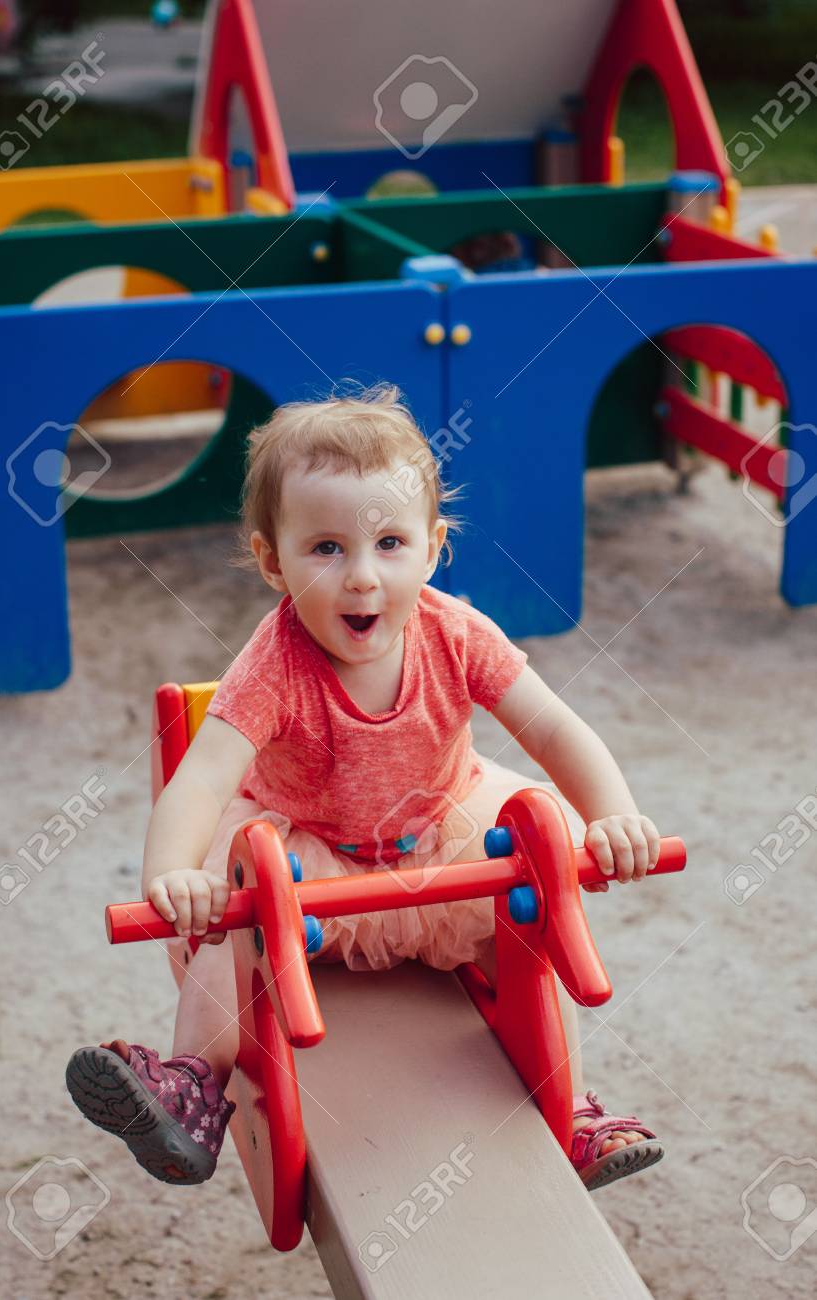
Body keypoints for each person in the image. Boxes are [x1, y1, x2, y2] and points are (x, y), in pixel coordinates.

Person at [67, 382, 664, 1191]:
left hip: (441, 836)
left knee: (537, 885)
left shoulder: (456, 634)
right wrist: (172, 876)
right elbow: (202, 779)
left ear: (433, 546)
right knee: (236, 921)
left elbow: (555, 728)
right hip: (312, 850)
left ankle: (570, 1106)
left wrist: (615, 816)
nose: (361, 578)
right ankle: (194, 1086)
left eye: (390, 543)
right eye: (325, 549)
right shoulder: (274, 664)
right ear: (272, 561)